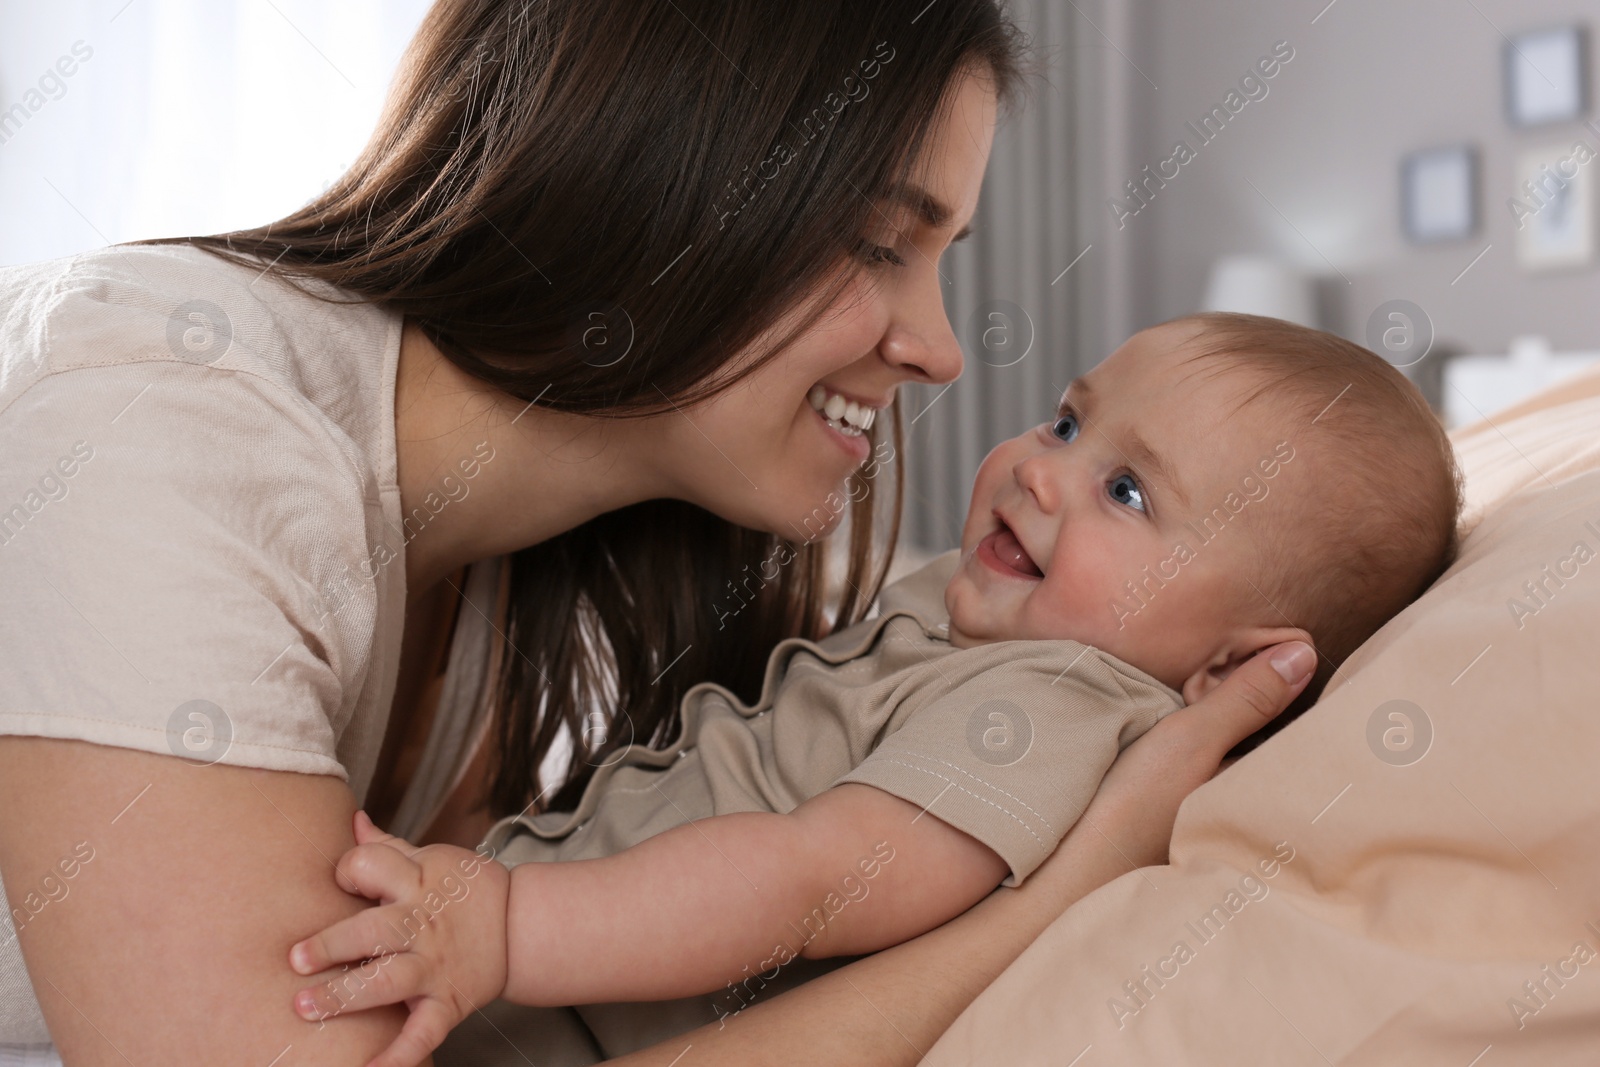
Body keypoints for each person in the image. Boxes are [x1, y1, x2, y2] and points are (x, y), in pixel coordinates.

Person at [0, 3, 1308, 1064]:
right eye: (880, 244)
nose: (944, 349)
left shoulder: (517, 564)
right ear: (663, 183)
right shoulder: (162, 407)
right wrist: (1053, 905)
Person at [282, 312, 1462, 1067]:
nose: (1040, 473)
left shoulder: (1066, 699)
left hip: (559, 1014)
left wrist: (509, 926)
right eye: (1065, 420)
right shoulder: (989, 616)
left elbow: (817, 877)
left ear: (1221, 667)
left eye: (1129, 495)